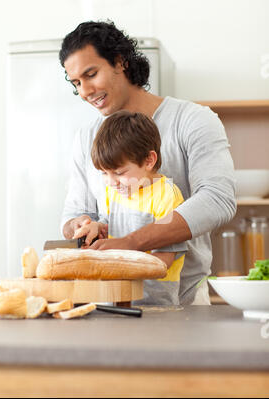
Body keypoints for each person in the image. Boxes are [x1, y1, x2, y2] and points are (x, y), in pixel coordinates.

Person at [59, 21, 236, 305]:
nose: (85, 91)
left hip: (183, 301)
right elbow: (75, 214)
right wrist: (81, 225)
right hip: (111, 302)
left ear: (120, 62)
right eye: (76, 83)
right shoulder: (86, 137)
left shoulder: (192, 120)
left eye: (91, 74)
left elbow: (217, 200)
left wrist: (131, 243)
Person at [73, 110, 188, 305]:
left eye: (119, 172)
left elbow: (164, 261)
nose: (111, 182)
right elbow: (110, 225)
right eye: (104, 173)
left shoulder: (167, 196)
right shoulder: (115, 191)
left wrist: (114, 260)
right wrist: (97, 228)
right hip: (114, 300)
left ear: (149, 160)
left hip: (155, 305)